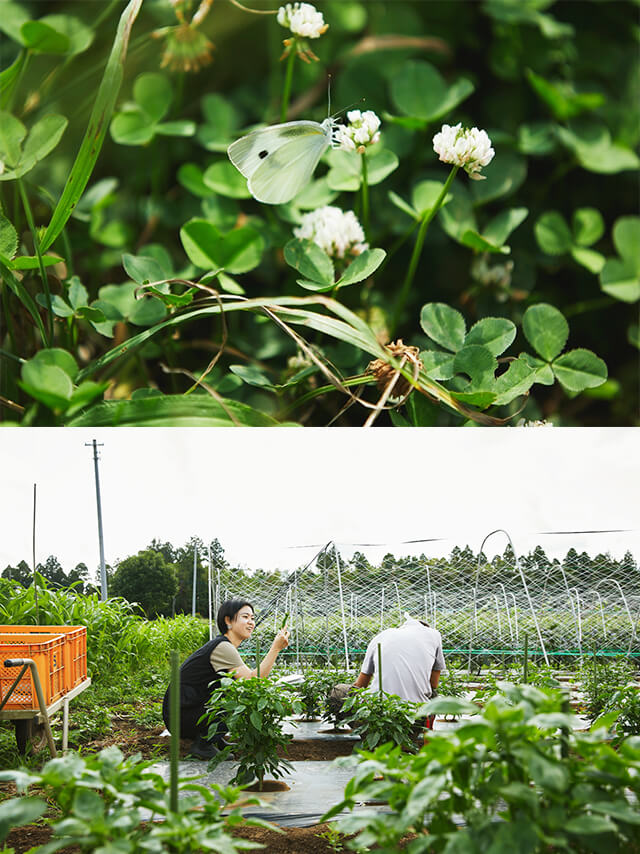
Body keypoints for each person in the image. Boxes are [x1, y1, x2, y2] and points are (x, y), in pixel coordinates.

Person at [162, 599, 289, 759]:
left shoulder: (223, 645)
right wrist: (275, 648)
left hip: (182, 713)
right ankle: (203, 745)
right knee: (238, 696)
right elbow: (252, 682)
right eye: (245, 617)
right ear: (228, 621)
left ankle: (217, 739)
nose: (251, 622)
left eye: (253, 618)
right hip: (181, 717)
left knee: (231, 688)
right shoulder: (223, 647)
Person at [329, 615, 445, 729]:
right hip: (415, 716)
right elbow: (433, 684)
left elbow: (360, 685)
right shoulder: (434, 635)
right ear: (425, 628)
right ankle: (423, 732)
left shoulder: (382, 636)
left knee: (338, 692)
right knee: (433, 696)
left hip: (378, 714)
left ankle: (365, 730)